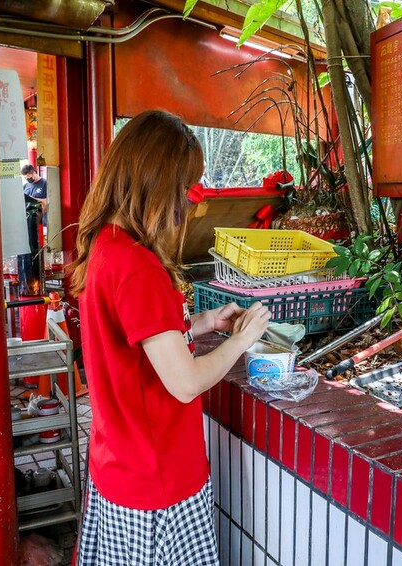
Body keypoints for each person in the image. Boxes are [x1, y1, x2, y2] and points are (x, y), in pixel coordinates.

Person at [69, 110, 271, 565]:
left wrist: (203, 323)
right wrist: (241, 340)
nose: (188, 201)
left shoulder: (108, 244)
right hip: (157, 482)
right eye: (184, 186)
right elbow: (184, 382)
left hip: (119, 465)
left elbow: (137, 342)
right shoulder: (139, 267)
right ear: (156, 182)